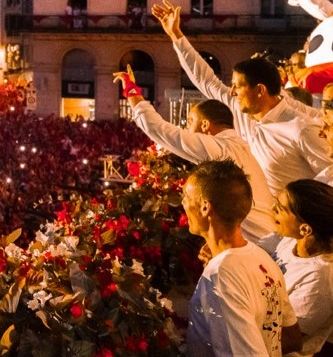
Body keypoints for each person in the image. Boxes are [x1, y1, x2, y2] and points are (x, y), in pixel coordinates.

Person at [152, 0, 329, 195]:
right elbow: (205, 80)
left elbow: (328, 175)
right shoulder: (240, 108)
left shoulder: (301, 128)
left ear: (260, 90)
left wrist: (299, 208)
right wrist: (176, 35)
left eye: (238, 86)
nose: (232, 91)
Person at [113, 66, 275, 242]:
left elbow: (158, 129)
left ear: (205, 125)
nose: (186, 128)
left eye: (190, 122)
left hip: (259, 242)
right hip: (268, 236)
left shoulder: (218, 148)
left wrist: (131, 91)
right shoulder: (244, 145)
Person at [183, 159, 300, 356]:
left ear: (205, 207)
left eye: (186, 196)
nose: (183, 203)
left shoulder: (221, 276)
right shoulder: (261, 258)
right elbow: (291, 335)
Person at [271, 180, 333, 357]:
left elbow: (285, 341)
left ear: (305, 229)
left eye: (280, 209)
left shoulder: (319, 280)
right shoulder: (292, 240)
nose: (272, 209)